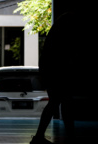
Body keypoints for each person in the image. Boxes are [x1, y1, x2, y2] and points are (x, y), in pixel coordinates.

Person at [30, 12, 77, 144]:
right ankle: (70, 137)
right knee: (65, 103)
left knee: (55, 102)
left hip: (51, 71)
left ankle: (39, 136)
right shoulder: (64, 40)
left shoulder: (53, 38)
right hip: (59, 72)